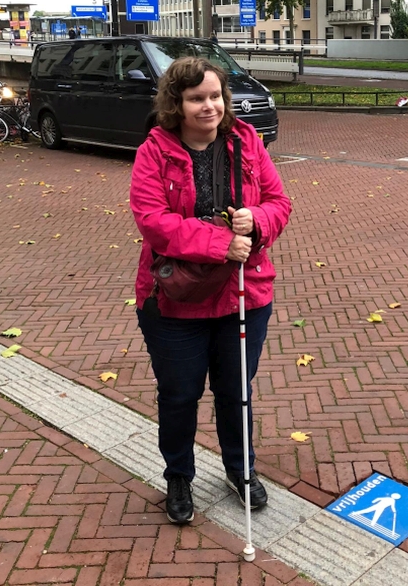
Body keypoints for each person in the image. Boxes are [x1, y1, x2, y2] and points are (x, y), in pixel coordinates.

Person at [129, 56, 292, 525]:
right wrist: (223, 243)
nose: (209, 106)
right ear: (176, 103)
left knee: (235, 391)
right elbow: (154, 223)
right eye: (197, 98)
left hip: (244, 294)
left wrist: (256, 220)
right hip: (175, 301)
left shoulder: (247, 143)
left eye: (216, 96)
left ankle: (240, 470)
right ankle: (179, 475)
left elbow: (280, 202)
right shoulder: (154, 152)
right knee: (179, 395)